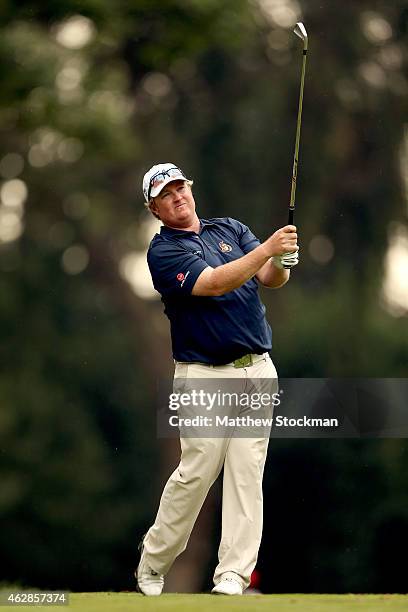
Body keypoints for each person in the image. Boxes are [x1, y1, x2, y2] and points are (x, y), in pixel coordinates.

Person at [136, 163, 299, 596]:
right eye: (166, 194)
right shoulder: (162, 252)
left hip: (257, 370)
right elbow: (212, 284)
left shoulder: (229, 228)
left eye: (180, 187)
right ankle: (153, 562)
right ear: (155, 209)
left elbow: (270, 278)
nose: (177, 197)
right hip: (202, 374)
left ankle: (233, 574)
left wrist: (280, 260)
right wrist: (266, 249)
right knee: (197, 471)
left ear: (190, 189)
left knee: (247, 471)